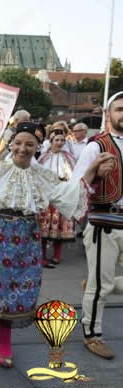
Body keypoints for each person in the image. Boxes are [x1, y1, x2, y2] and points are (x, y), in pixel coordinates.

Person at [0, 121, 110, 369]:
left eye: (29, 144)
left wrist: (93, 169)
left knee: (18, 291)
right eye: (19, 143)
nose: (23, 148)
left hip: (27, 237)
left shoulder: (43, 175)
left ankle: (0, 333)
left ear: (36, 147)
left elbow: (69, 192)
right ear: (11, 143)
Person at [74, 91, 123, 360]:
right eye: (119, 109)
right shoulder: (96, 146)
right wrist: (94, 173)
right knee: (101, 287)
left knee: (101, 283)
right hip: (105, 219)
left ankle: (94, 285)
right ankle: (92, 334)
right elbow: (77, 184)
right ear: (108, 114)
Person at [37, 128, 76, 268]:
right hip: (46, 196)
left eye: (62, 140)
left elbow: (74, 176)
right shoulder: (43, 157)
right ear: (51, 141)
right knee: (44, 227)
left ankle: (57, 255)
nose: (60, 143)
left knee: (59, 226)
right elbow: (38, 175)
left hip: (62, 195)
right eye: (57, 140)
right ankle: (41, 256)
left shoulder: (69, 157)